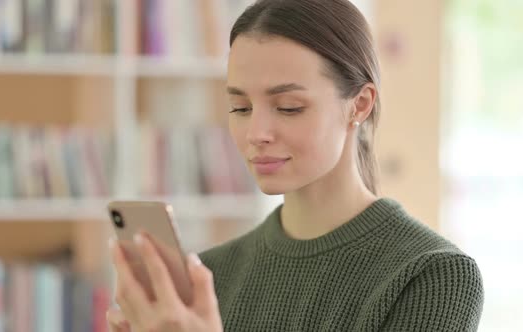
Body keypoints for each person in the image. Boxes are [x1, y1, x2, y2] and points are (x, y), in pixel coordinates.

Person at [106, 0, 484, 331]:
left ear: (360, 104)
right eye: (241, 108)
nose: (256, 133)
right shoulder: (210, 276)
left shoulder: (432, 275)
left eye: (289, 107)